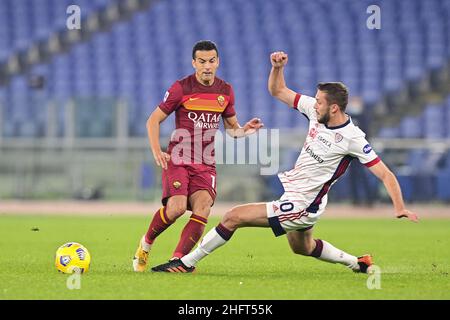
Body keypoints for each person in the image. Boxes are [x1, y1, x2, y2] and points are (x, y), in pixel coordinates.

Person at [151, 51, 419, 274]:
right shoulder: (316, 111)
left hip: (303, 204)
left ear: (334, 108)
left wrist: (400, 207)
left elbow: (385, 174)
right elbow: (277, 89)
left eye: (320, 103)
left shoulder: (352, 138)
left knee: (232, 217)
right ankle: (358, 263)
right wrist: (277, 67)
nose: (314, 105)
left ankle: (186, 263)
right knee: (302, 247)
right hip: (301, 196)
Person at [133, 40, 263, 272]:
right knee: (177, 208)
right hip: (179, 158)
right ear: (194, 63)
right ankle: (146, 243)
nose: (207, 66)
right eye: (201, 61)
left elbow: (232, 129)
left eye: (211, 61)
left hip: (205, 162)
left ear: (218, 62)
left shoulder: (225, 91)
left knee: (203, 207)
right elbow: (153, 120)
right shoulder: (181, 88)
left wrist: (245, 130)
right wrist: (156, 150)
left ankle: (178, 260)